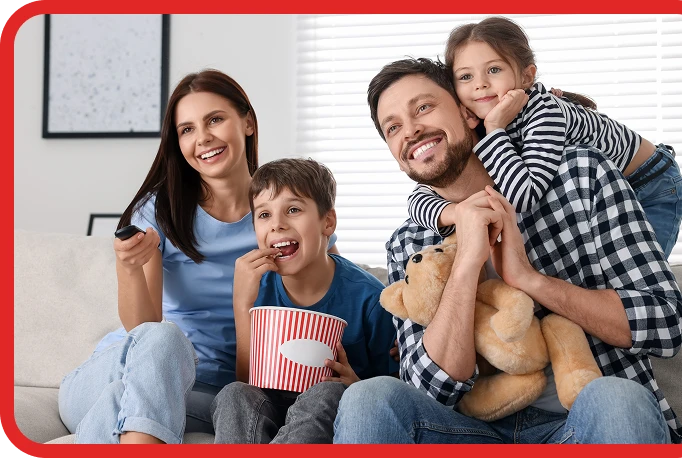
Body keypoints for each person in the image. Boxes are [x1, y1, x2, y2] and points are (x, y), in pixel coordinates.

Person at [333, 57, 682, 444]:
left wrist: (529, 280)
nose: (411, 130)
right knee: (369, 398)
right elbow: (428, 387)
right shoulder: (410, 243)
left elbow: (666, 324)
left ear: (467, 113)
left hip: (582, 424)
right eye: (393, 127)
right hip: (468, 433)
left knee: (617, 398)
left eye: (424, 107)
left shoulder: (579, 176)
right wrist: (467, 262)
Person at [57, 69, 338, 444]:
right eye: (186, 129)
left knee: (123, 404)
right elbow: (145, 327)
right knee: (167, 340)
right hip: (122, 369)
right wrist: (128, 267)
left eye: (215, 120)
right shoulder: (162, 211)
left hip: (205, 393)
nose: (202, 138)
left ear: (248, 122)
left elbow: (334, 295)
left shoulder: (286, 212)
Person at [407, 16, 682, 258]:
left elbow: (525, 196)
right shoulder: (473, 124)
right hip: (600, 194)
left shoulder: (543, 113)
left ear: (526, 77)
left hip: (650, 184)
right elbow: (418, 199)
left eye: (494, 70)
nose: (480, 83)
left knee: (634, 273)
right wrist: (454, 213)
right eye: (466, 76)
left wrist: (494, 129)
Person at [210, 157, 398, 444]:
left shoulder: (370, 299)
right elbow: (248, 382)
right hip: (269, 407)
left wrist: (355, 385)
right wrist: (242, 305)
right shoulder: (256, 288)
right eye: (264, 215)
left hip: (331, 415)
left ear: (328, 222)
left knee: (328, 391)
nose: (277, 225)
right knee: (233, 393)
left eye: (293, 209)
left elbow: (394, 391)